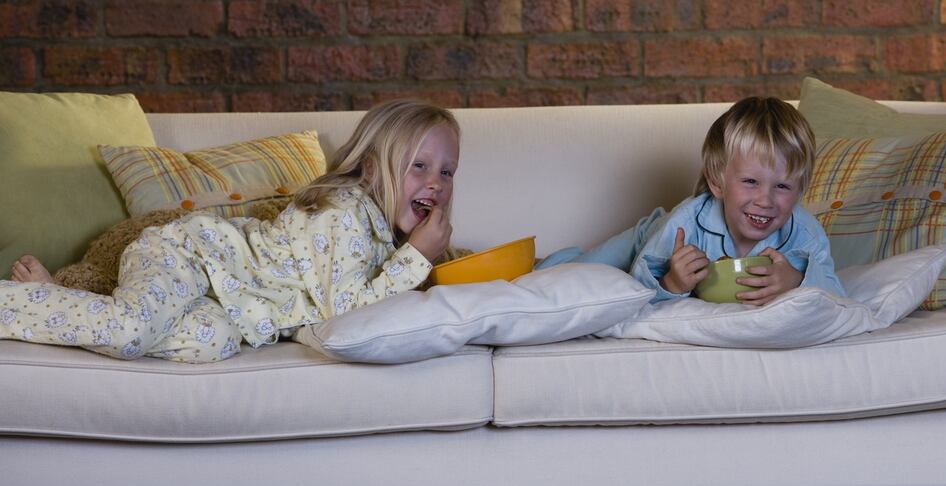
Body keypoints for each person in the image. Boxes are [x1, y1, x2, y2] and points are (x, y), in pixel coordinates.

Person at [2, 99, 460, 362]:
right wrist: (416, 258)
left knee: (212, 341)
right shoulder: (342, 210)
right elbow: (343, 315)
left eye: (447, 171)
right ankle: (18, 303)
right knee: (131, 330)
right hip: (189, 257)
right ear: (373, 169)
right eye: (419, 166)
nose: (436, 182)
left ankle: (56, 303)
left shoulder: (384, 236)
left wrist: (429, 258)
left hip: (227, 306)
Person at [537, 96, 844, 305]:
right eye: (750, 182)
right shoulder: (683, 225)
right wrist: (671, 283)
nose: (765, 200)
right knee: (579, 272)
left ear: (801, 188)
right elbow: (637, 286)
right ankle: (539, 264)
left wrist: (798, 280)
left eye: (782, 186)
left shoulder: (804, 234)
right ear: (717, 182)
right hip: (651, 234)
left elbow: (838, 295)